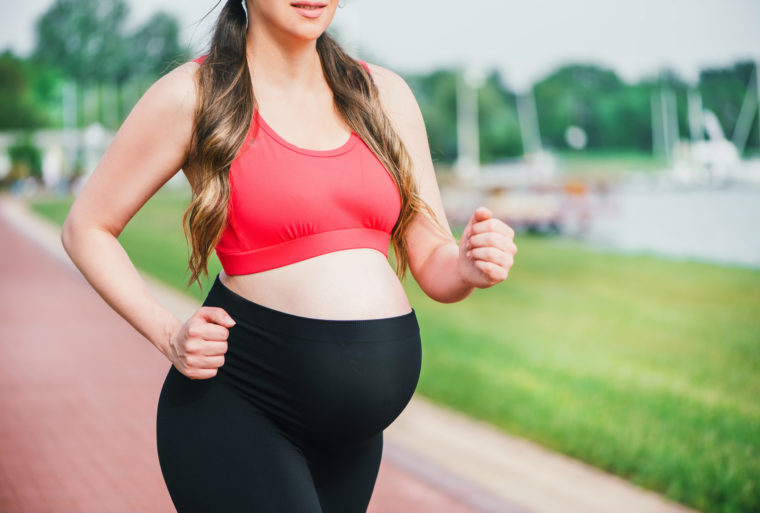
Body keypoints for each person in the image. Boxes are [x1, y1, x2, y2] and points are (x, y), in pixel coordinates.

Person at [60, 0, 518, 511]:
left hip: (352, 441)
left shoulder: (384, 96)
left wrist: (467, 266)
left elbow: (433, 256)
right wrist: (168, 334)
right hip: (240, 412)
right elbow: (87, 226)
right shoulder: (193, 95)